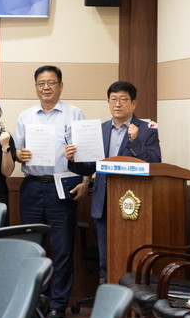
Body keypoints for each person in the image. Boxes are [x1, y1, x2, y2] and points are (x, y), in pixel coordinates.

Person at [13, 65, 90, 318]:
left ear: (60, 86)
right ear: (36, 87)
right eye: (41, 83)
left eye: (51, 82)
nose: (46, 87)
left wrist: (86, 181)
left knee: (62, 248)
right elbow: (17, 152)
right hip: (32, 186)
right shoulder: (25, 116)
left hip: (63, 186)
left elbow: (87, 153)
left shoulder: (74, 113)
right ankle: (37, 301)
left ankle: (58, 304)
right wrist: (18, 154)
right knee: (32, 248)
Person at [67, 81, 161, 282]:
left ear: (134, 103)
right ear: (108, 102)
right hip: (104, 203)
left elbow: (155, 163)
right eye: (113, 99)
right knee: (105, 259)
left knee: (131, 258)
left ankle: (131, 297)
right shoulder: (99, 130)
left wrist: (135, 142)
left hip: (133, 204)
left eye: (123, 99)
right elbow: (90, 167)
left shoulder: (147, 129)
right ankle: (107, 296)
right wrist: (73, 159)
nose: (117, 104)